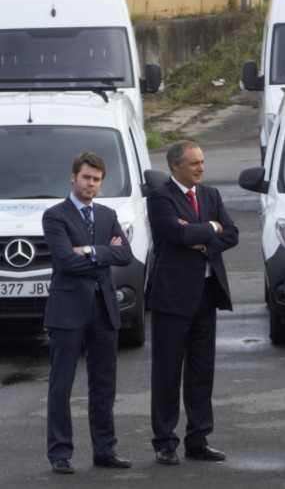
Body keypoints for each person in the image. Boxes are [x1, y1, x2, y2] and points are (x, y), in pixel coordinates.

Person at [147, 140, 239, 465]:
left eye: (202, 162)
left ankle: (198, 439)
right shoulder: (160, 197)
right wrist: (210, 229)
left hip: (206, 295)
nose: (201, 168)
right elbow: (177, 234)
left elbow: (232, 233)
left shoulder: (210, 195)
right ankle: (165, 442)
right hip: (172, 299)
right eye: (194, 163)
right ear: (175, 166)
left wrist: (204, 238)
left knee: (202, 371)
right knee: (168, 373)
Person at [42, 152, 134, 474]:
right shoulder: (55, 216)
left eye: (96, 179)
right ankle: (60, 453)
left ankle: (105, 450)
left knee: (104, 385)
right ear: (73, 177)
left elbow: (125, 255)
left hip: (104, 310)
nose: (91, 184)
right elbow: (65, 261)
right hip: (68, 310)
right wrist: (103, 255)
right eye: (86, 178)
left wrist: (92, 250)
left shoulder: (108, 214)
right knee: (61, 385)